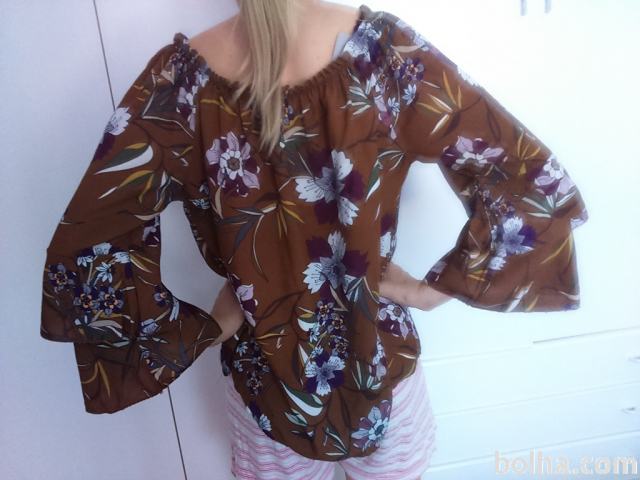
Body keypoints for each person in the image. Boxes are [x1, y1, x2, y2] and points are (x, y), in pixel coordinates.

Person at [40, 1, 588, 479]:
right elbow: (527, 182)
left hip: (264, 384)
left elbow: (89, 247)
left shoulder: (179, 88)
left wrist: (206, 327)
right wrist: (428, 292)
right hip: (381, 363)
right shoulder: (385, 57)